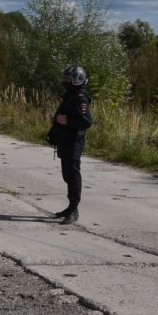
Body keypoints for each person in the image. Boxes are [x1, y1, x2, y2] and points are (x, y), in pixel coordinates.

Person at [50, 64, 92, 224]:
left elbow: (86, 121)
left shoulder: (80, 98)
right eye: (65, 78)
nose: (65, 81)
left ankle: (74, 209)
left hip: (74, 141)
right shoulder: (69, 96)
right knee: (67, 174)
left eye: (68, 79)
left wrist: (67, 121)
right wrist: (56, 121)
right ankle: (70, 206)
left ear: (77, 80)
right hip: (65, 139)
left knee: (73, 174)